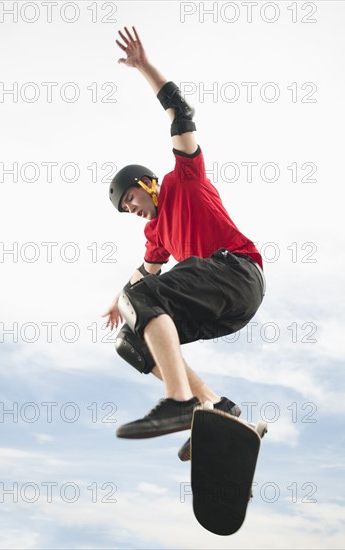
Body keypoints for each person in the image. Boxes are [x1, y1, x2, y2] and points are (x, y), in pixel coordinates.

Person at [102, 26, 265, 461]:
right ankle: (217, 408)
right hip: (225, 309)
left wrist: (146, 69)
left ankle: (179, 402)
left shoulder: (183, 179)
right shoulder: (155, 235)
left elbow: (181, 114)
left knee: (141, 298)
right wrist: (116, 301)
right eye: (125, 209)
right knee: (130, 341)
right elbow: (145, 273)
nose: (132, 209)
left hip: (237, 273)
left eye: (131, 199)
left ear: (146, 184)